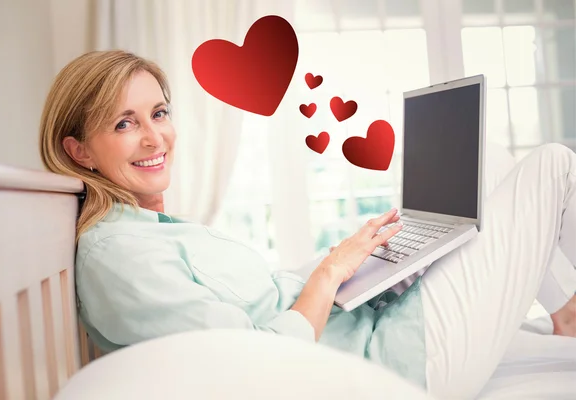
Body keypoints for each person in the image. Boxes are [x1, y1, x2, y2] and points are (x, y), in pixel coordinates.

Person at [39, 50, 576, 399]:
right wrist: (329, 274)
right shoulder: (118, 256)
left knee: (492, 157)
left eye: (158, 113)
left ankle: (563, 317)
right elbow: (253, 364)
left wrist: (351, 267)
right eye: (124, 123)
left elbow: (261, 304)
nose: (155, 138)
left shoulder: (145, 230)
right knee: (554, 164)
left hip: (370, 330)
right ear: (79, 151)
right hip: (397, 364)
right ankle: (567, 314)